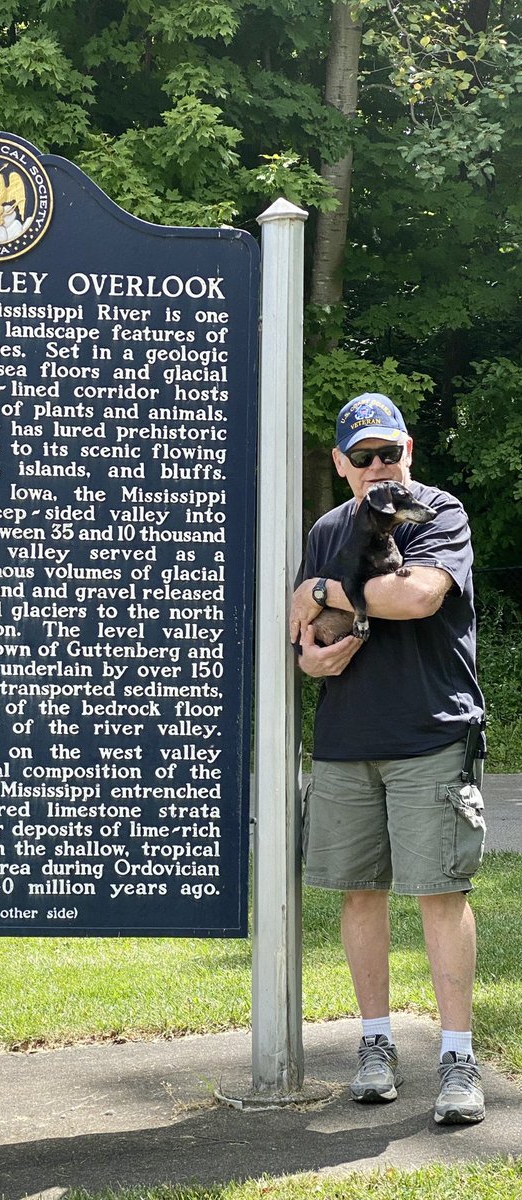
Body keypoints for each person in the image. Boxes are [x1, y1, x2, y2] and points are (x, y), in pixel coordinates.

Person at [289, 393, 487, 1125]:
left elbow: (418, 598)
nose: (378, 468)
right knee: (357, 892)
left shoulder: (438, 512)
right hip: (346, 738)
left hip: (429, 734)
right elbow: (305, 641)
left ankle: (456, 1056)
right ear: (340, 463)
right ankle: (374, 1048)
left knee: (440, 893)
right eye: (362, 456)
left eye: (388, 453)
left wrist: (319, 589)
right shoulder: (326, 527)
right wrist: (311, 655)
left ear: (408, 451)